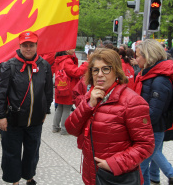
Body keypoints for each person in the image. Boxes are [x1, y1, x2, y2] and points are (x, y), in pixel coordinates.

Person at [65, 48, 155, 185]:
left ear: (116, 71)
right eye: (95, 70)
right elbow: (71, 129)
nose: (100, 74)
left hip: (116, 177)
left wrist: (114, 164)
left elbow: (146, 144)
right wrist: (88, 105)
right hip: (91, 175)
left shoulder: (132, 102)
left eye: (106, 69)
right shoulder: (92, 95)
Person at [0, 31, 53, 185]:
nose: (28, 48)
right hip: (13, 120)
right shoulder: (9, 66)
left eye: (31, 45)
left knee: (32, 152)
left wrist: (46, 109)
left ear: (36, 45)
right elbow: (0, 93)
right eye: (25, 45)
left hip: (35, 120)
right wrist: (0, 116)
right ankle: (14, 181)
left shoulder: (44, 66)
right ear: (19, 46)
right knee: (11, 153)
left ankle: (29, 177)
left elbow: (48, 91)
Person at [134, 39, 173, 185]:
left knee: (138, 170)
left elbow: (152, 114)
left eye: (138, 55)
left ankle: (172, 174)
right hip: (149, 130)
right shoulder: (149, 76)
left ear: (148, 56)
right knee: (143, 170)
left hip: (151, 131)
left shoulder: (159, 80)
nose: (136, 59)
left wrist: (131, 120)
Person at [53, 49, 87, 135]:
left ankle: (55, 127)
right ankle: (64, 129)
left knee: (60, 108)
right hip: (68, 88)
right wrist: (86, 65)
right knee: (66, 109)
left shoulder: (58, 59)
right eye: (72, 48)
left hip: (60, 88)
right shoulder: (67, 60)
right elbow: (76, 72)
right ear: (67, 50)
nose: (74, 50)